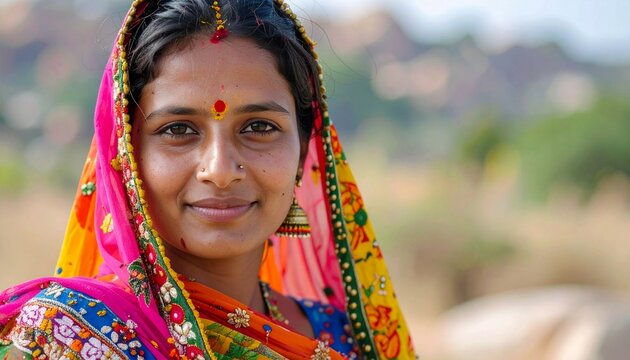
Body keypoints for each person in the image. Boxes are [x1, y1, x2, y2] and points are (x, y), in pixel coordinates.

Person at [0, 0, 416, 358]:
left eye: (258, 127)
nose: (219, 170)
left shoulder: (345, 338)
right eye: (178, 130)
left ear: (303, 151)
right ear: (126, 157)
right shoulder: (71, 335)